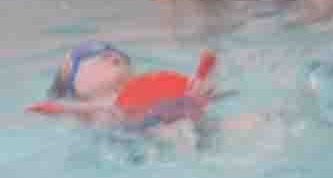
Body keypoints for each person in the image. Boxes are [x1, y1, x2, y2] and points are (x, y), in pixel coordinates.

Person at [30, 43, 216, 130]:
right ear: (74, 88)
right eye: (87, 54)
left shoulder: (146, 92)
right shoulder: (86, 116)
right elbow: (105, 112)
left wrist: (195, 100)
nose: (110, 54)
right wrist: (65, 108)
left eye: (116, 53)